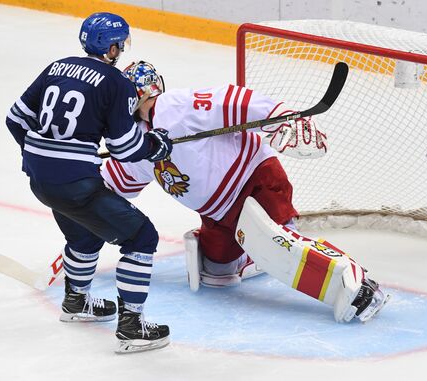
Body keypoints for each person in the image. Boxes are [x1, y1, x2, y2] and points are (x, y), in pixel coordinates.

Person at [101, 61, 388, 323]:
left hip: (254, 182)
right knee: (216, 274)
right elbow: (113, 185)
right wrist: (80, 207)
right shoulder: (134, 142)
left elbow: (230, 100)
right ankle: (253, 253)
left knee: (277, 245)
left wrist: (280, 115)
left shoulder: (175, 105)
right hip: (217, 215)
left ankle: (358, 285)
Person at [5, 14, 172, 353]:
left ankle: (76, 302)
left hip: (40, 179)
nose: (122, 48)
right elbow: (126, 148)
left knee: (84, 233)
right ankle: (132, 326)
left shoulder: (57, 67)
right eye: (121, 43)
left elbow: (15, 118)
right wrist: (156, 145)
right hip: (75, 182)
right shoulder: (116, 82)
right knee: (142, 236)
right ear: (112, 47)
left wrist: (45, 152)